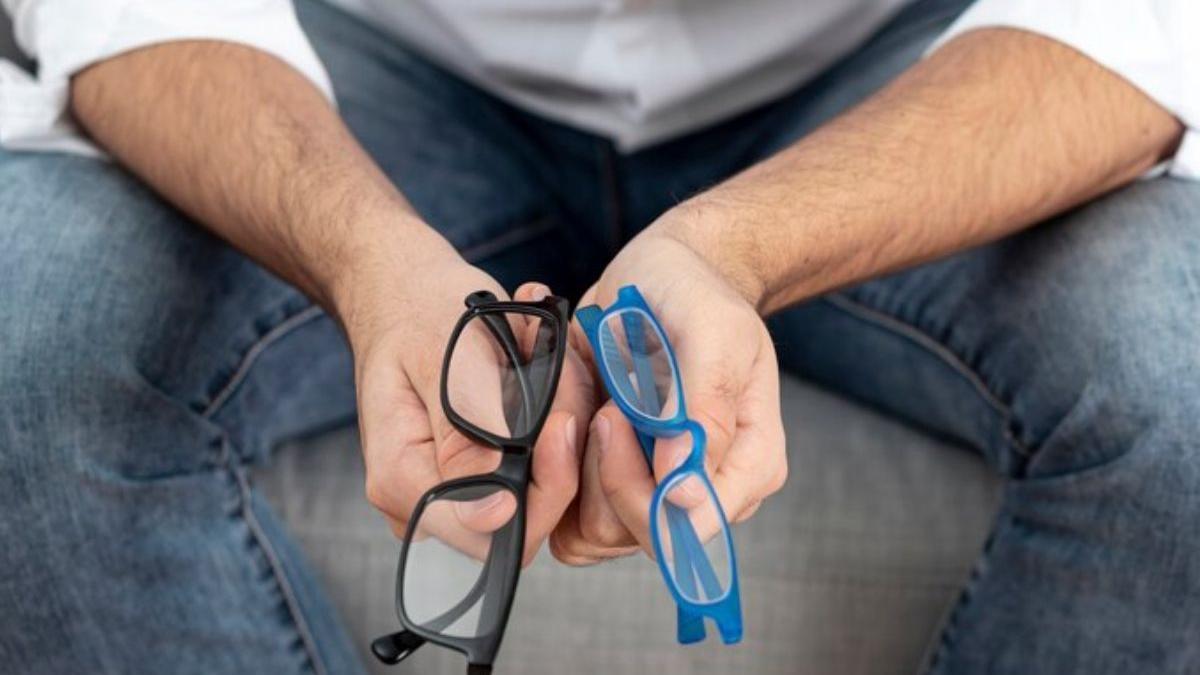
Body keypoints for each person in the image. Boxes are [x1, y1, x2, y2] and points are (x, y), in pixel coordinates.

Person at [0, 0, 1196, 673]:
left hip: (907, 69)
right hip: (360, 59)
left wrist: (734, 244)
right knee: (28, 332)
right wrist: (370, 259)